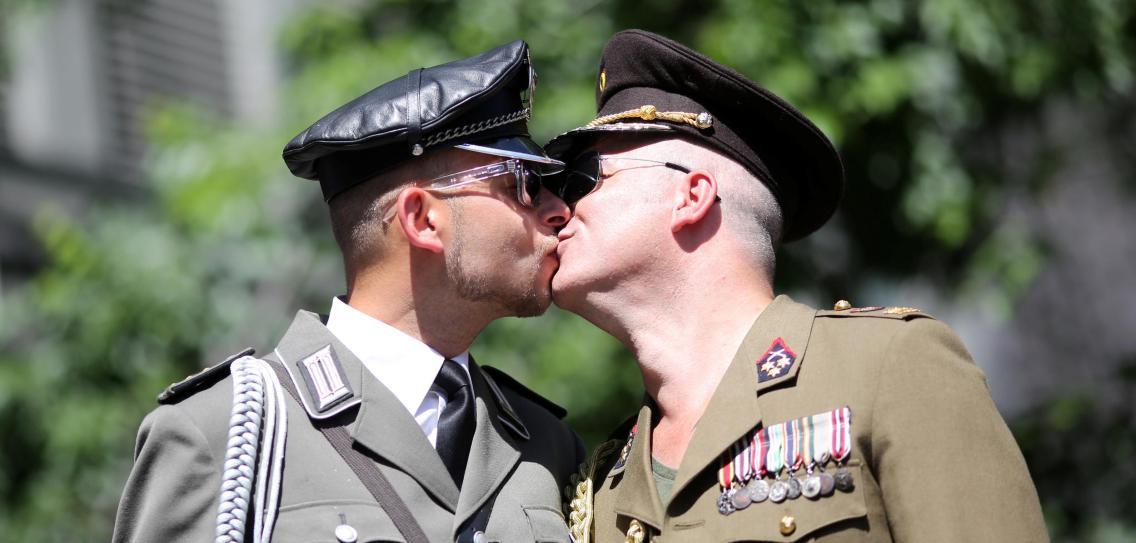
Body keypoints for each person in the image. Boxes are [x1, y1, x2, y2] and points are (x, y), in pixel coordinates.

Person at [546, 30, 1047, 542]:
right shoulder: (605, 484)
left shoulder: (888, 367)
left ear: (691, 196)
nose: (556, 207)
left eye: (584, 178)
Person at [113, 40, 584, 543]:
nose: (558, 209)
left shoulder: (548, 443)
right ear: (423, 218)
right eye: (523, 184)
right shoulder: (222, 433)